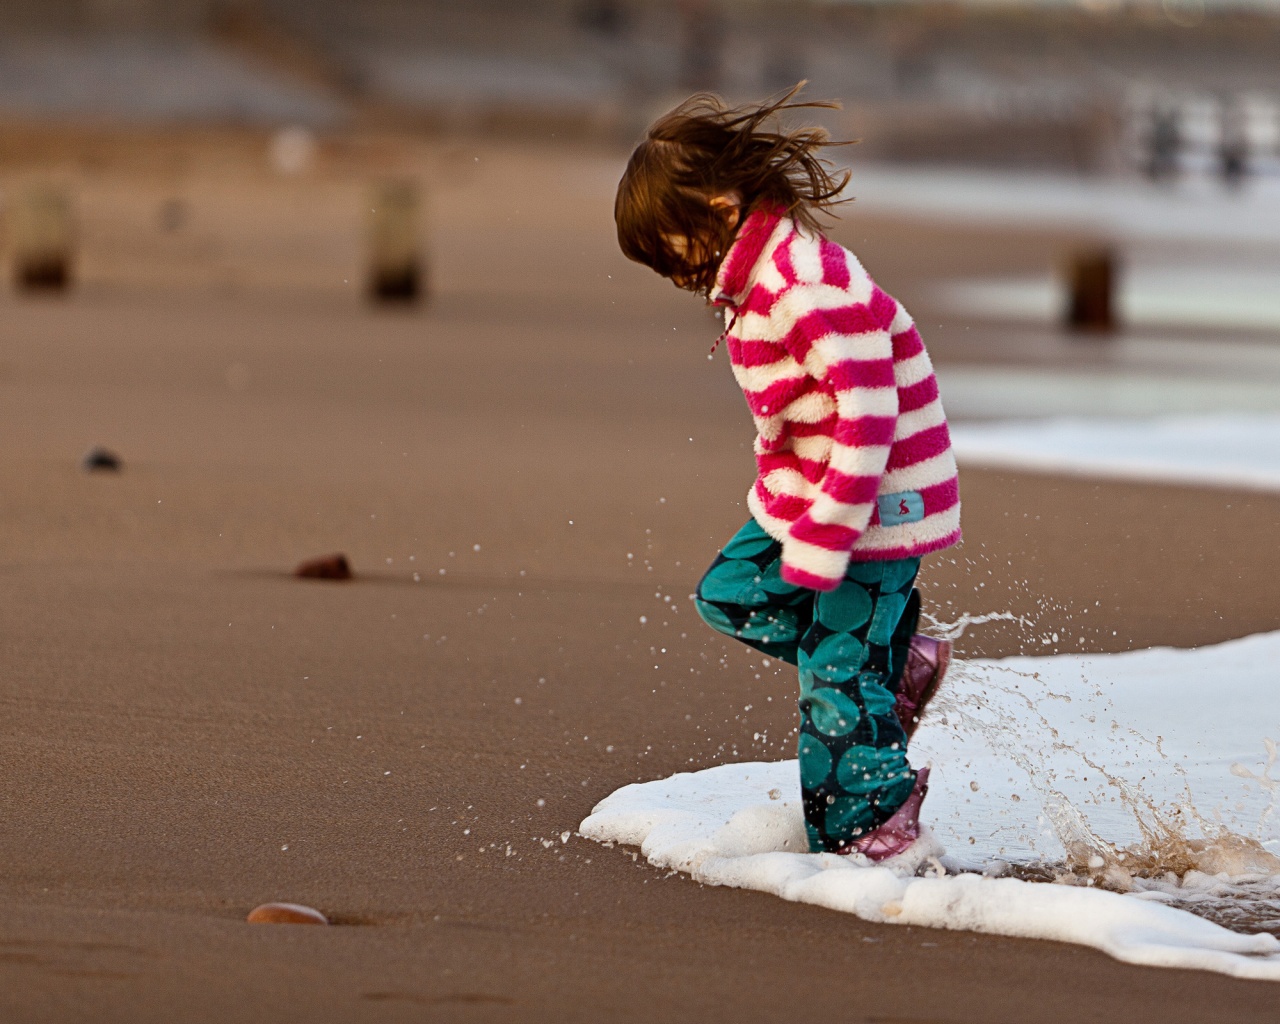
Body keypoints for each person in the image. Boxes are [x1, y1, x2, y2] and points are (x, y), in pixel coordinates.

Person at [614, 86, 960, 861]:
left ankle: (875, 823)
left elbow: (868, 410)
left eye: (671, 246)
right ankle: (895, 661)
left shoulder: (806, 285)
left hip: (872, 509)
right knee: (731, 594)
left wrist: (830, 534)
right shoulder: (757, 278)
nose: (673, 270)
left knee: (835, 684)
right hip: (810, 499)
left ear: (721, 204)